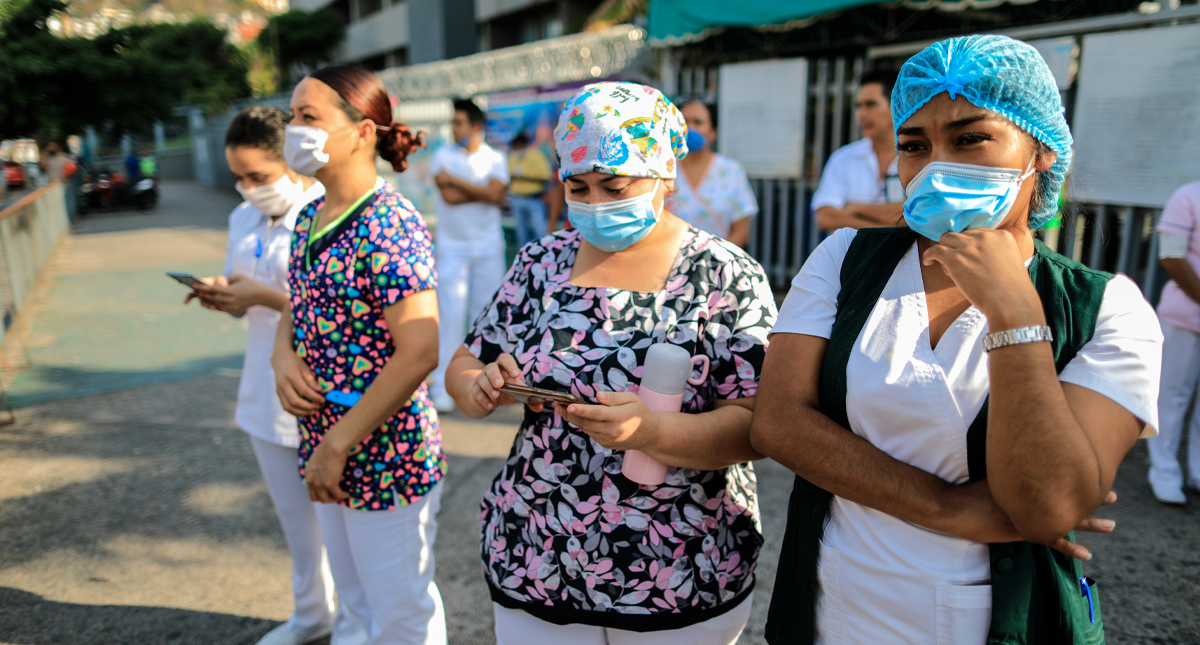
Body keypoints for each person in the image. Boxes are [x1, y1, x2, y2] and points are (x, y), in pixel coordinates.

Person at [752, 35, 1162, 645]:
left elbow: (1046, 506)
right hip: (839, 608)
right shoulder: (846, 258)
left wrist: (1013, 313)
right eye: (914, 146)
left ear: (1042, 150)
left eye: (971, 138)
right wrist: (948, 507)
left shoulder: (1106, 308)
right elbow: (779, 422)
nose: (938, 165)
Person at [444, 82, 777, 644]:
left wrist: (655, 431)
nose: (595, 204)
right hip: (539, 550)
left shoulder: (724, 275)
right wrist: (479, 386)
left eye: (615, 185)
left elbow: (757, 424)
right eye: (578, 187)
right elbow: (467, 360)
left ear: (665, 172)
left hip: (674, 564)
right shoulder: (539, 262)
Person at [271, 65, 447, 644]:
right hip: (324, 437)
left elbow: (420, 350)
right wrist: (283, 357)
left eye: (309, 117)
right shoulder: (309, 215)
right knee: (355, 604)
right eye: (292, 117)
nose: (293, 129)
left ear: (363, 131)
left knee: (399, 612)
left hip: (380, 445)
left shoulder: (389, 223)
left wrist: (338, 444)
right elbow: (298, 303)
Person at [185, 106, 364, 645]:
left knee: (340, 525)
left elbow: (334, 307)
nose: (247, 189)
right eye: (238, 178)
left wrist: (262, 295)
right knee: (295, 522)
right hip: (262, 384)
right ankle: (311, 614)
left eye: (258, 176)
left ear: (292, 162)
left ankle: (355, 624)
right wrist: (226, 296)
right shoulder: (243, 217)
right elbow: (248, 293)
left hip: (317, 386)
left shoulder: (326, 215)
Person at [426, 98, 509, 413]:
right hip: (453, 247)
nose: (453, 128)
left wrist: (460, 183)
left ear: (476, 127)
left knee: (486, 316)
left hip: (488, 246)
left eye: (459, 123)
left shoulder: (495, 158)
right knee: (450, 316)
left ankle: (487, 387)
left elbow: (495, 195)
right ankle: (442, 386)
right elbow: (448, 196)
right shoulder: (441, 156)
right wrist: (482, 191)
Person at [1147, 179, 1200, 505]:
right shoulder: (1188, 196)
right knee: (1171, 398)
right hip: (1183, 318)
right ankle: (1164, 472)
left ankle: (1197, 471)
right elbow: (1171, 257)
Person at [812, 68, 904, 231]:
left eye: (870, 105)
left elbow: (921, 215)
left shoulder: (920, 156)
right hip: (851, 256)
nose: (861, 114)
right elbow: (826, 217)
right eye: (858, 106)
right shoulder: (843, 158)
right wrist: (885, 232)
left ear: (897, 106)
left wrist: (856, 209)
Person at [666, 99, 757, 247]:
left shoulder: (731, 171)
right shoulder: (664, 170)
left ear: (713, 132)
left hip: (717, 264)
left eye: (698, 122)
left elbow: (741, 231)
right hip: (668, 261)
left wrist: (716, 262)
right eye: (684, 123)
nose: (690, 129)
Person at [506, 132, 553, 247]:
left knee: (539, 229)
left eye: (518, 146)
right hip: (516, 198)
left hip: (533, 199)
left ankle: (543, 253)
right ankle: (524, 256)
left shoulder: (536, 156)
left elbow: (545, 177)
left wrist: (525, 177)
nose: (517, 148)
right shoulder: (513, 157)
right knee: (521, 231)